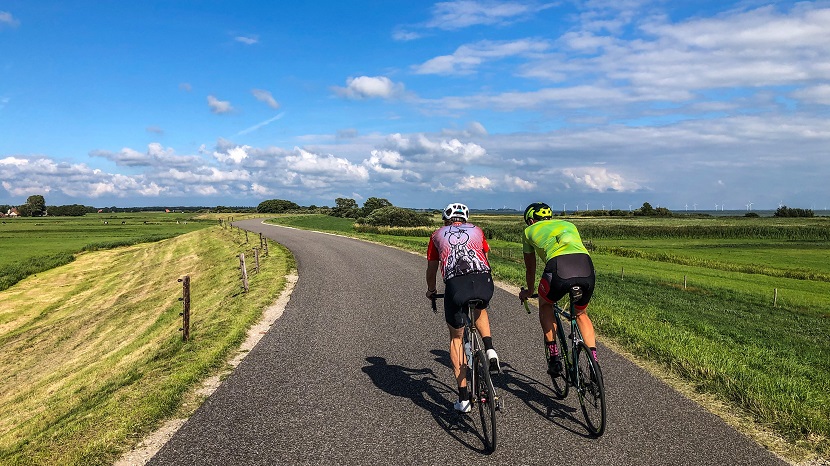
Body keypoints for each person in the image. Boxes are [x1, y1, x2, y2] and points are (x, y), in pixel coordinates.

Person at [426, 202, 499, 413]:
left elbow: (432, 268)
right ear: (465, 219)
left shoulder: (436, 234)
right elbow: (486, 253)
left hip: (457, 285)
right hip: (484, 280)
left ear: (446, 220)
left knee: (456, 338)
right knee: (480, 308)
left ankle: (464, 398)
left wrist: (431, 290)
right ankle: (490, 349)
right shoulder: (477, 230)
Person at [517, 202, 598, 376]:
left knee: (546, 305)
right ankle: (594, 362)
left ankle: (554, 358)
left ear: (531, 220)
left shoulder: (528, 231)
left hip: (559, 268)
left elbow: (530, 269)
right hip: (586, 266)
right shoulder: (569, 224)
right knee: (581, 314)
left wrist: (529, 291)